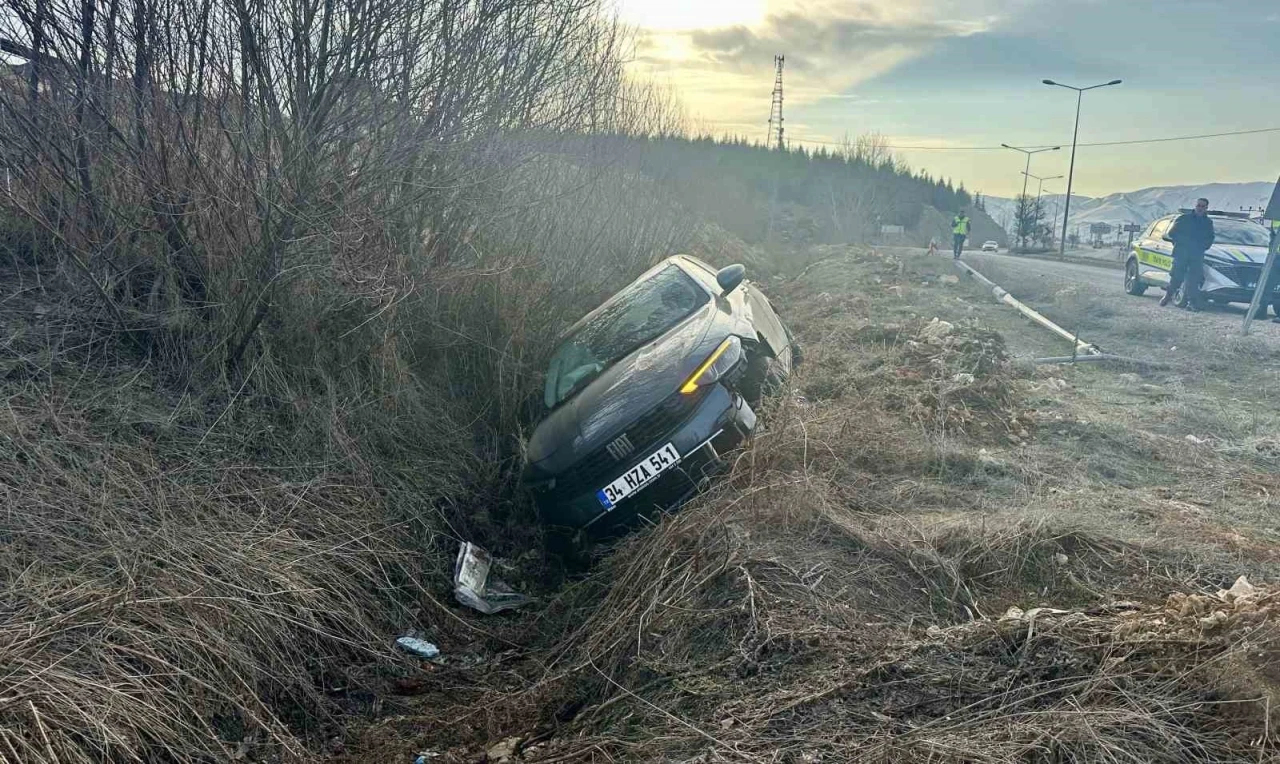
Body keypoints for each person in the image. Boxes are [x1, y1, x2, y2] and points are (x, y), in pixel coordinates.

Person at [1160, 197, 1215, 311]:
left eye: (1202, 206)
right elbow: (1172, 233)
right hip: (1182, 253)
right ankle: (1168, 296)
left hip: (1197, 255)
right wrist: (1183, 242)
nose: (1200, 208)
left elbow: (1210, 238)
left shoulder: (1208, 222)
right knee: (1177, 277)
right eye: (1198, 205)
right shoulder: (1184, 218)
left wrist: (1203, 246)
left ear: (1206, 208)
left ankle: (1192, 303)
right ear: (1195, 206)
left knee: (1194, 280)